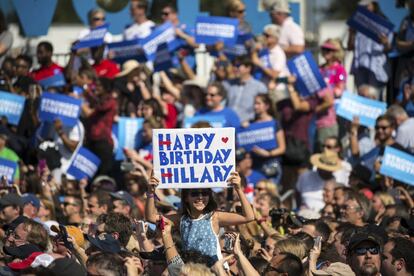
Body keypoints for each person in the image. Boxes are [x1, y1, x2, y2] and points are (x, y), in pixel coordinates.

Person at [145, 171, 254, 262]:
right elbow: (150, 217)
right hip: (191, 270)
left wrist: (239, 189)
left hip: (213, 271)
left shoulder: (215, 217)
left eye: (205, 193)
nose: (200, 197)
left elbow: (248, 217)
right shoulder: (181, 219)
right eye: (195, 194)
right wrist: (150, 192)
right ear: (186, 198)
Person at [348, 0, 392, 97]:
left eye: (367, 6)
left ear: (374, 5)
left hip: (376, 69)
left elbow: (389, 49)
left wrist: (385, 43)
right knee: (362, 98)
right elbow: (350, 47)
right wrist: (351, 33)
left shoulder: (383, 23)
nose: (364, 9)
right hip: (360, 67)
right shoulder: (357, 23)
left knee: (374, 99)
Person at [82, 77, 117, 175]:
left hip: (103, 143)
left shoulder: (110, 101)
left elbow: (98, 108)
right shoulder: (97, 101)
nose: (96, 88)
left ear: (106, 88)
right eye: (95, 85)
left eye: (99, 86)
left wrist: (84, 93)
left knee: (102, 173)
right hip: (91, 142)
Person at [249, 94, 286, 182]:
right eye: (254, 104)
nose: (255, 106)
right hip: (256, 164)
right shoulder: (251, 124)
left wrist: (268, 153)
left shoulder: (274, 123)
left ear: (266, 106)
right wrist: (244, 128)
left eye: (258, 103)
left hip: (271, 164)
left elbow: (282, 148)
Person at [223, 56, 267, 123]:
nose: (234, 68)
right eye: (233, 65)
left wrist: (252, 121)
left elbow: (263, 109)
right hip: (227, 125)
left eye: (237, 66)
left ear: (248, 68)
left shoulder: (259, 87)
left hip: (247, 126)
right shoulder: (227, 84)